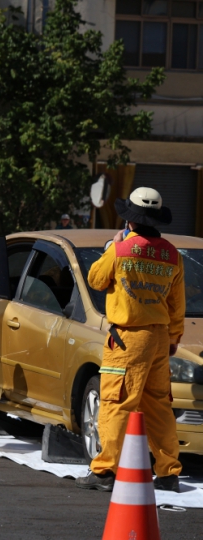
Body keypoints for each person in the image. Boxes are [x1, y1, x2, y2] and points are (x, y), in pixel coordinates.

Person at [76, 187, 184, 492]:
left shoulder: (121, 249)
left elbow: (96, 279)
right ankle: (168, 472)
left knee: (116, 403)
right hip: (160, 337)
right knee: (159, 406)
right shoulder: (172, 254)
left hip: (127, 339)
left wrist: (113, 246)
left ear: (130, 220)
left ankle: (105, 471)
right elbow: (177, 303)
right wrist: (174, 336)